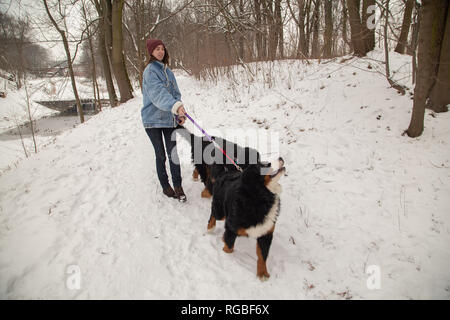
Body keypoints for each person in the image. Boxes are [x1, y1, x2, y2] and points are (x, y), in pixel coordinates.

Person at [141, 38, 187, 202]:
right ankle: (165, 186)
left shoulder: (169, 72)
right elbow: (158, 95)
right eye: (157, 49)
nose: (160, 51)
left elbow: (176, 94)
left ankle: (178, 186)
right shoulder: (150, 71)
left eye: (162, 48)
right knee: (160, 155)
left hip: (169, 120)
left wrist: (179, 112)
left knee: (173, 153)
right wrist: (175, 106)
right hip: (152, 121)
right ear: (151, 52)